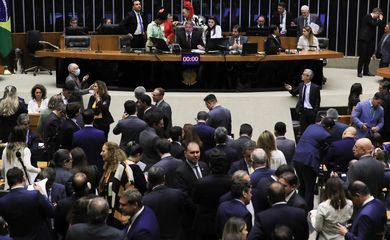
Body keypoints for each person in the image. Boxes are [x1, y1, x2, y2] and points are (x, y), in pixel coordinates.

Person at [0, 167, 54, 239]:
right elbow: (51, 212)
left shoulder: (2, 201)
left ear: (8, 182)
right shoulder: (35, 194)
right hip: (37, 237)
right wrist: (43, 193)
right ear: (23, 179)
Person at [292, 117, 334, 210]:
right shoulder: (326, 135)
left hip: (297, 157)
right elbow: (326, 153)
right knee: (309, 187)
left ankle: (299, 208)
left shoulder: (311, 126)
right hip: (308, 161)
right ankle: (307, 211)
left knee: (302, 186)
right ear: (329, 128)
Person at [192, 149, 232, 240]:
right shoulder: (231, 182)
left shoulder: (201, 182)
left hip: (205, 224)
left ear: (210, 164)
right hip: (225, 223)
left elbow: (195, 200)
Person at [143, 166, 189, 240]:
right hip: (177, 235)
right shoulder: (178, 193)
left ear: (148, 180)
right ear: (164, 178)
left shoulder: (145, 200)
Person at [98, 141, 134, 228]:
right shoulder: (108, 167)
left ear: (111, 152)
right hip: (108, 214)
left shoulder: (123, 168)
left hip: (120, 215)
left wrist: (127, 215)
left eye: (103, 151)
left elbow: (131, 192)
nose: (100, 153)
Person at [55, 172, 91, 238]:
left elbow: (58, 226)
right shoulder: (95, 201)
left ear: (72, 186)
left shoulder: (62, 204)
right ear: (87, 185)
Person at [285, 68, 321, 133]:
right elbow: (295, 92)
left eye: (303, 74)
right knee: (302, 130)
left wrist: (315, 111)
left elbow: (317, 101)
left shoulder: (315, 87)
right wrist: (290, 89)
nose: (302, 75)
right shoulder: (301, 85)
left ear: (308, 77)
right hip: (302, 111)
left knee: (311, 130)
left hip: (311, 112)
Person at [357, 8, 384, 77]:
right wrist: (380, 19)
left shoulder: (374, 19)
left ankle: (366, 71)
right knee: (362, 56)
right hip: (364, 39)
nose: (378, 17)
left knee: (368, 56)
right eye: (378, 15)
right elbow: (374, 24)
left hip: (370, 40)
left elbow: (376, 24)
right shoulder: (368, 16)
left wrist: (378, 20)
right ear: (376, 12)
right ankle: (359, 72)